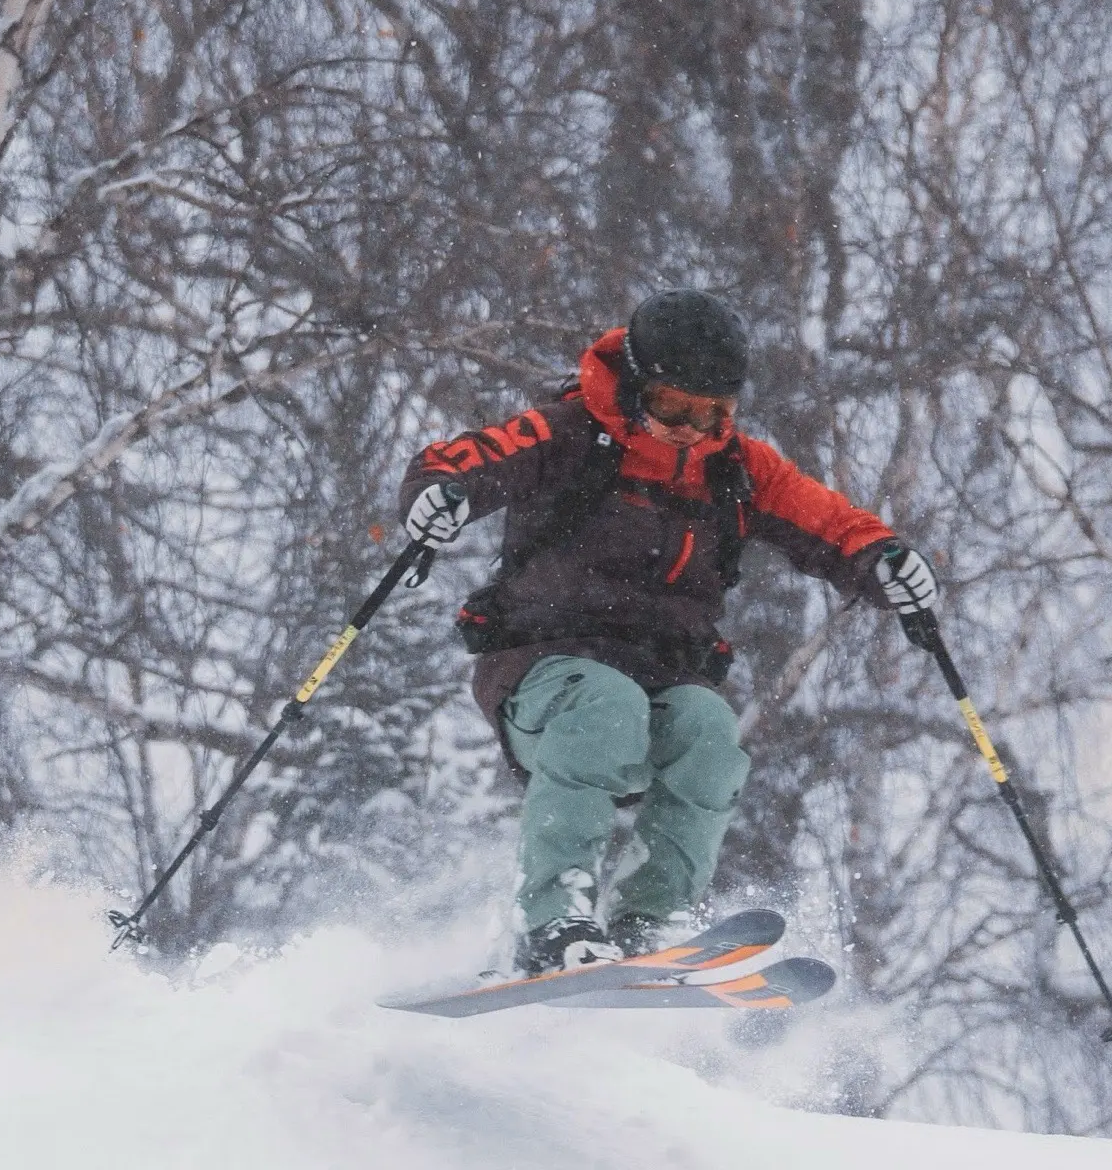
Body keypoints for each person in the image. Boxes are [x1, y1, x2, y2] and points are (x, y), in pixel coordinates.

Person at [399, 289, 937, 975]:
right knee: (606, 705)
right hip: (540, 670)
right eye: (671, 408)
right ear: (632, 386)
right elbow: (459, 461)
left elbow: (831, 522)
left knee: (710, 731)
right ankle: (551, 917)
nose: (689, 429)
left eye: (711, 413)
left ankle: (648, 919)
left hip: (657, 680)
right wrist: (437, 498)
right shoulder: (567, 435)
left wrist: (884, 559)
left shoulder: (736, 469)